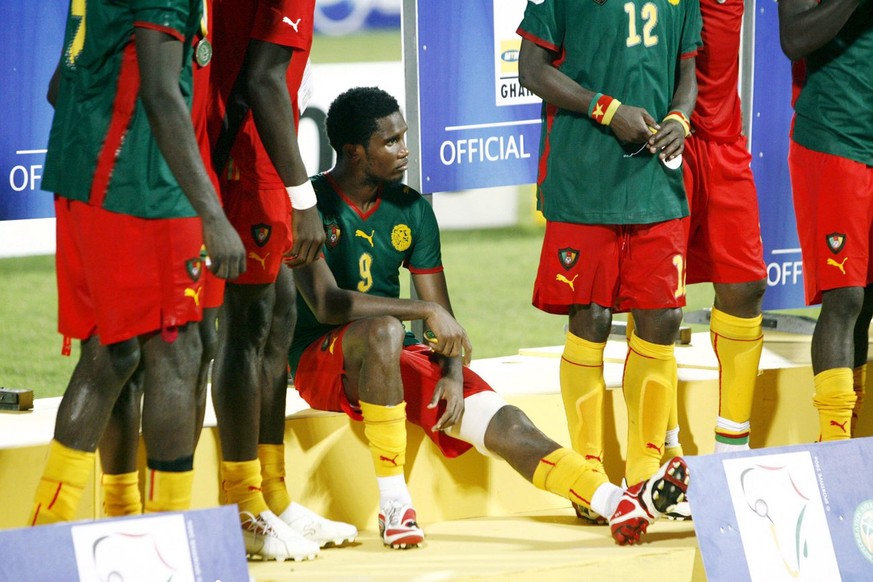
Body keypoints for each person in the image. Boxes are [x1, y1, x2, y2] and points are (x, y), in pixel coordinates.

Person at [288, 86, 690, 549]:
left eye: (404, 137)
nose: (405, 150)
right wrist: (423, 311)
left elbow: (444, 318)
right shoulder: (309, 205)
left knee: (506, 420)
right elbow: (327, 304)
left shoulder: (413, 210)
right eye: (392, 141)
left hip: (391, 356)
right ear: (356, 153)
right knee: (383, 331)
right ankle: (395, 504)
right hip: (320, 360)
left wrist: (454, 372)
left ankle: (615, 502)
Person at [30, 0, 246, 525]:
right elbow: (159, 90)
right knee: (177, 349)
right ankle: (170, 539)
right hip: (142, 188)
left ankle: (49, 534)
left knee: (112, 351)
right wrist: (211, 213)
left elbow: (61, 84)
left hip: (82, 173)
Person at [516, 0, 701, 521]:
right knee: (591, 315)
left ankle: (645, 476)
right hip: (584, 176)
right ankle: (589, 479)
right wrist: (605, 108)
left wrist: (680, 119)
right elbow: (530, 69)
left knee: (662, 315)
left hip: (656, 182)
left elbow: (688, 70)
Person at [207, 0, 357, 562]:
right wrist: (302, 195)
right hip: (249, 155)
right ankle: (243, 504)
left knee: (277, 321)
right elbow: (263, 79)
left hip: (253, 148)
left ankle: (272, 494)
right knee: (247, 331)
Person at [96, 0, 228, 518]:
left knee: (194, 350)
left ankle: (158, 522)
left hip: (183, 180)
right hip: (156, 190)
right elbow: (155, 89)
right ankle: (140, 524)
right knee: (144, 356)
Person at [673, 0, 769, 456]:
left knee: (745, 286)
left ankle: (733, 447)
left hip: (725, 142)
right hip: (668, 137)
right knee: (656, 297)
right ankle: (660, 446)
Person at [779, 0, 873, 441]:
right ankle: (833, 449)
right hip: (836, 134)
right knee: (846, 297)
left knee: (867, 301)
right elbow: (794, 38)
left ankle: (851, 449)